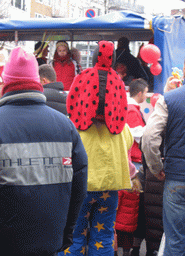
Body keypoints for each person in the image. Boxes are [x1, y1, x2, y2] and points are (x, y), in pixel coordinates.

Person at [0, 46, 88, 256]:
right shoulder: (65, 126)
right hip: (50, 242)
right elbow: (79, 184)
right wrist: (66, 232)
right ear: (37, 82)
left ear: (6, 82)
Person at [65, 40, 134, 256]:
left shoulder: (75, 125)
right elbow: (130, 141)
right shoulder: (121, 128)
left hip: (80, 188)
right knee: (102, 238)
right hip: (109, 188)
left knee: (74, 237)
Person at [141, 49, 185, 256]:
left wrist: (156, 168)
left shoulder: (169, 99)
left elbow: (149, 138)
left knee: (174, 241)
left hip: (177, 179)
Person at [126, 78, 148, 256]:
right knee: (133, 206)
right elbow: (137, 135)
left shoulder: (128, 108)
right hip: (135, 162)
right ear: (140, 93)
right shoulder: (132, 110)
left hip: (131, 161)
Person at [115, 157, 141, 256]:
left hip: (119, 222)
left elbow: (117, 204)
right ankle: (126, 253)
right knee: (127, 241)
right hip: (131, 223)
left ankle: (115, 252)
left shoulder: (122, 189)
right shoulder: (137, 190)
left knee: (117, 239)